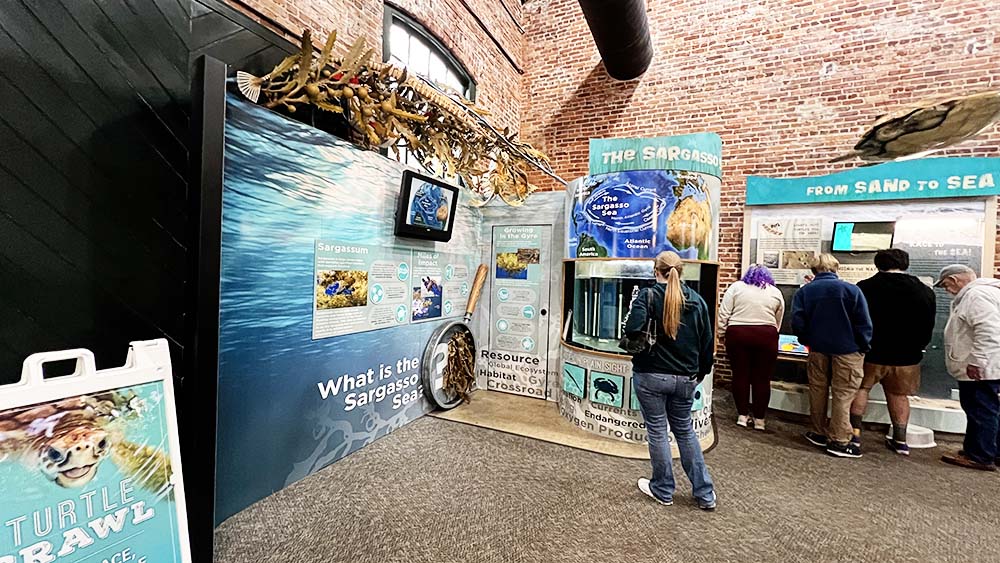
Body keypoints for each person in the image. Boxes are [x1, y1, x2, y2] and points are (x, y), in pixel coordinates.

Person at [625, 251, 716, 510]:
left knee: (657, 431)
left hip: (651, 375)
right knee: (686, 432)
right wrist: (700, 373)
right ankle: (705, 494)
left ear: (656, 271)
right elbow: (707, 344)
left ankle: (663, 489)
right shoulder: (697, 300)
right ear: (681, 271)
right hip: (686, 378)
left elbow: (632, 329)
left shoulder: (649, 295)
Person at [848, 249, 935, 455]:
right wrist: (919, 346)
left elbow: (856, 320)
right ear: (905, 264)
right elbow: (928, 324)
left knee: (860, 389)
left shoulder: (864, 288)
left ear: (878, 264)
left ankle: (855, 436)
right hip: (907, 356)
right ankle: (900, 440)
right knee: (899, 395)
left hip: (870, 352)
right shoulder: (924, 291)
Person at [791, 254, 872, 458]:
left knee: (817, 390)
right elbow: (863, 321)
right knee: (843, 394)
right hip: (848, 350)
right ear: (836, 268)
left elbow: (798, 321)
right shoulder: (851, 290)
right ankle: (839, 440)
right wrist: (863, 345)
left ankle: (818, 431)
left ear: (814, 270)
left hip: (817, 348)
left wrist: (807, 339)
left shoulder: (805, 292)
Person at [935, 264, 1000, 471]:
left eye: (946, 285)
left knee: (980, 410)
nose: (947, 290)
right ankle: (985, 449)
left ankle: (980, 455)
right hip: (988, 365)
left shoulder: (976, 296)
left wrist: (977, 361)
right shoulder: (987, 292)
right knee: (986, 408)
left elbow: (989, 331)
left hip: (981, 368)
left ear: (954, 280)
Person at [718, 264, 784, 430]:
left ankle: (742, 416)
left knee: (740, 375)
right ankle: (760, 420)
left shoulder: (736, 287)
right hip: (766, 335)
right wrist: (772, 332)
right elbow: (778, 317)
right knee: (762, 378)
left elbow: (724, 312)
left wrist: (721, 333)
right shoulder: (774, 291)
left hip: (738, 334)